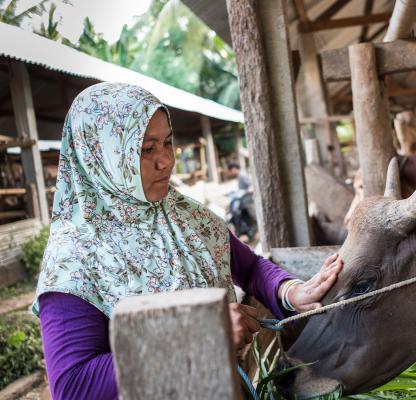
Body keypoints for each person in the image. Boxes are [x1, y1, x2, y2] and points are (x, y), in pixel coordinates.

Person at [32, 82, 342, 400]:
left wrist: (291, 291)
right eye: (146, 149)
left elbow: (248, 269)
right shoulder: (73, 257)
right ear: (102, 155)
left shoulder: (181, 213)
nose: (166, 160)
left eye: (167, 143)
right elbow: (73, 385)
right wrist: (202, 337)